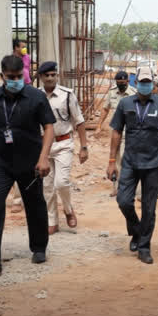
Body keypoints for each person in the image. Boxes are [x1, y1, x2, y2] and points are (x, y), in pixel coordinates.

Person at [0, 55, 56, 276]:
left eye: (19, 77)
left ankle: (38, 248)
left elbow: (49, 128)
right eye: (11, 77)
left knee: (35, 205)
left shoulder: (36, 97)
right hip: (2, 162)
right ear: (2, 76)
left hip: (31, 163)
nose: (15, 80)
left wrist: (44, 157)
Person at [107, 67, 158, 264]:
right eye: (142, 82)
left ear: (153, 83)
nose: (145, 85)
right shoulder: (125, 103)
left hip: (153, 163)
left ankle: (144, 247)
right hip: (130, 161)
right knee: (123, 201)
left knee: (149, 207)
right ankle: (136, 231)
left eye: (148, 82)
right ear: (136, 82)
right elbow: (116, 132)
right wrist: (112, 161)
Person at [37, 61, 89, 235]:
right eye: (47, 75)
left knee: (61, 182)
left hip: (63, 144)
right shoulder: (35, 95)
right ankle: (52, 220)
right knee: (47, 185)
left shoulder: (67, 95)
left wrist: (84, 147)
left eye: (53, 74)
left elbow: (79, 121)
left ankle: (68, 209)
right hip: (43, 146)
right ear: (41, 77)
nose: (51, 78)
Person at [101, 71, 137, 197]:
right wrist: (99, 125)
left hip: (129, 132)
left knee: (123, 158)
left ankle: (125, 186)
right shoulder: (112, 92)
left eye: (123, 83)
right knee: (114, 158)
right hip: (116, 131)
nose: (121, 85)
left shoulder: (134, 93)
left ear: (128, 81)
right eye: (118, 83)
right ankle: (115, 188)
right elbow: (105, 109)